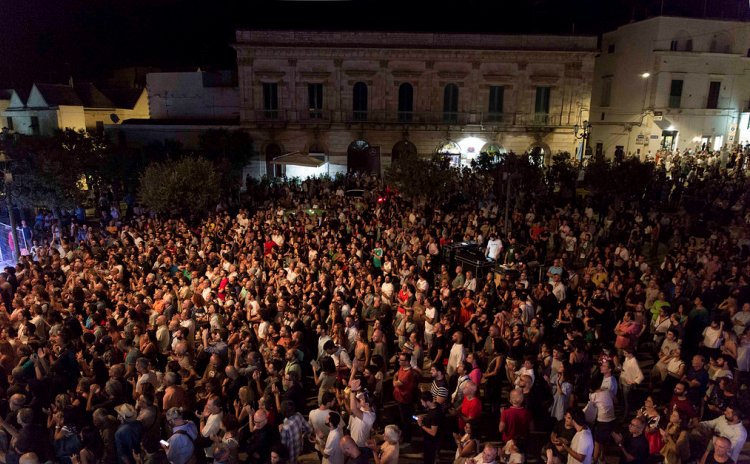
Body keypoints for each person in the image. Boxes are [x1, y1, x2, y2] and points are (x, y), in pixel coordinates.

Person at [418, 390, 444, 464]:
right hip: (430, 441)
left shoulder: (434, 415)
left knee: (429, 460)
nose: (422, 404)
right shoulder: (436, 405)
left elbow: (433, 432)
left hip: (431, 442)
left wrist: (421, 425)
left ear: (427, 402)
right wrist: (424, 417)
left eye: (422, 402)